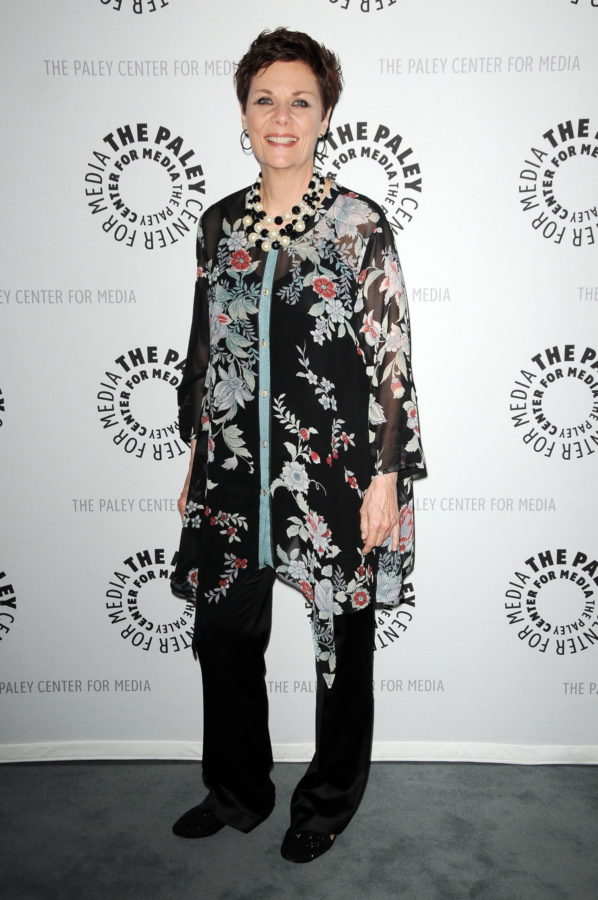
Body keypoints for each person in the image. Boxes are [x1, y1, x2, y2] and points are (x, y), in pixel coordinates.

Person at [170, 27, 426, 863]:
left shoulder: (358, 224)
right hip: (232, 468)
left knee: (341, 647)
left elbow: (392, 359)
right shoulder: (219, 225)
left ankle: (326, 802)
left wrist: (386, 478)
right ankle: (237, 790)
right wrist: (197, 458)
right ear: (244, 114)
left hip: (336, 473)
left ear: (324, 117)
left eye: (300, 102)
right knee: (223, 637)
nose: (281, 117)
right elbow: (208, 351)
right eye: (265, 100)